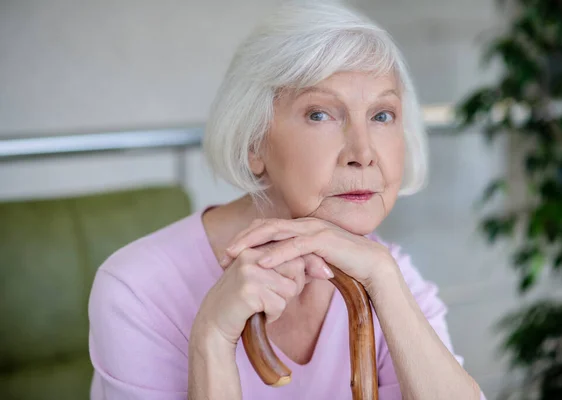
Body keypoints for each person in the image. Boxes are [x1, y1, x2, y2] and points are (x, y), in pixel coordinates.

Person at [88, 1, 486, 399]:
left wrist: (384, 280)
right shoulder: (136, 289)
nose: (363, 153)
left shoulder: (388, 272)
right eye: (320, 114)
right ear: (253, 142)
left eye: (382, 115)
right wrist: (210, 340)